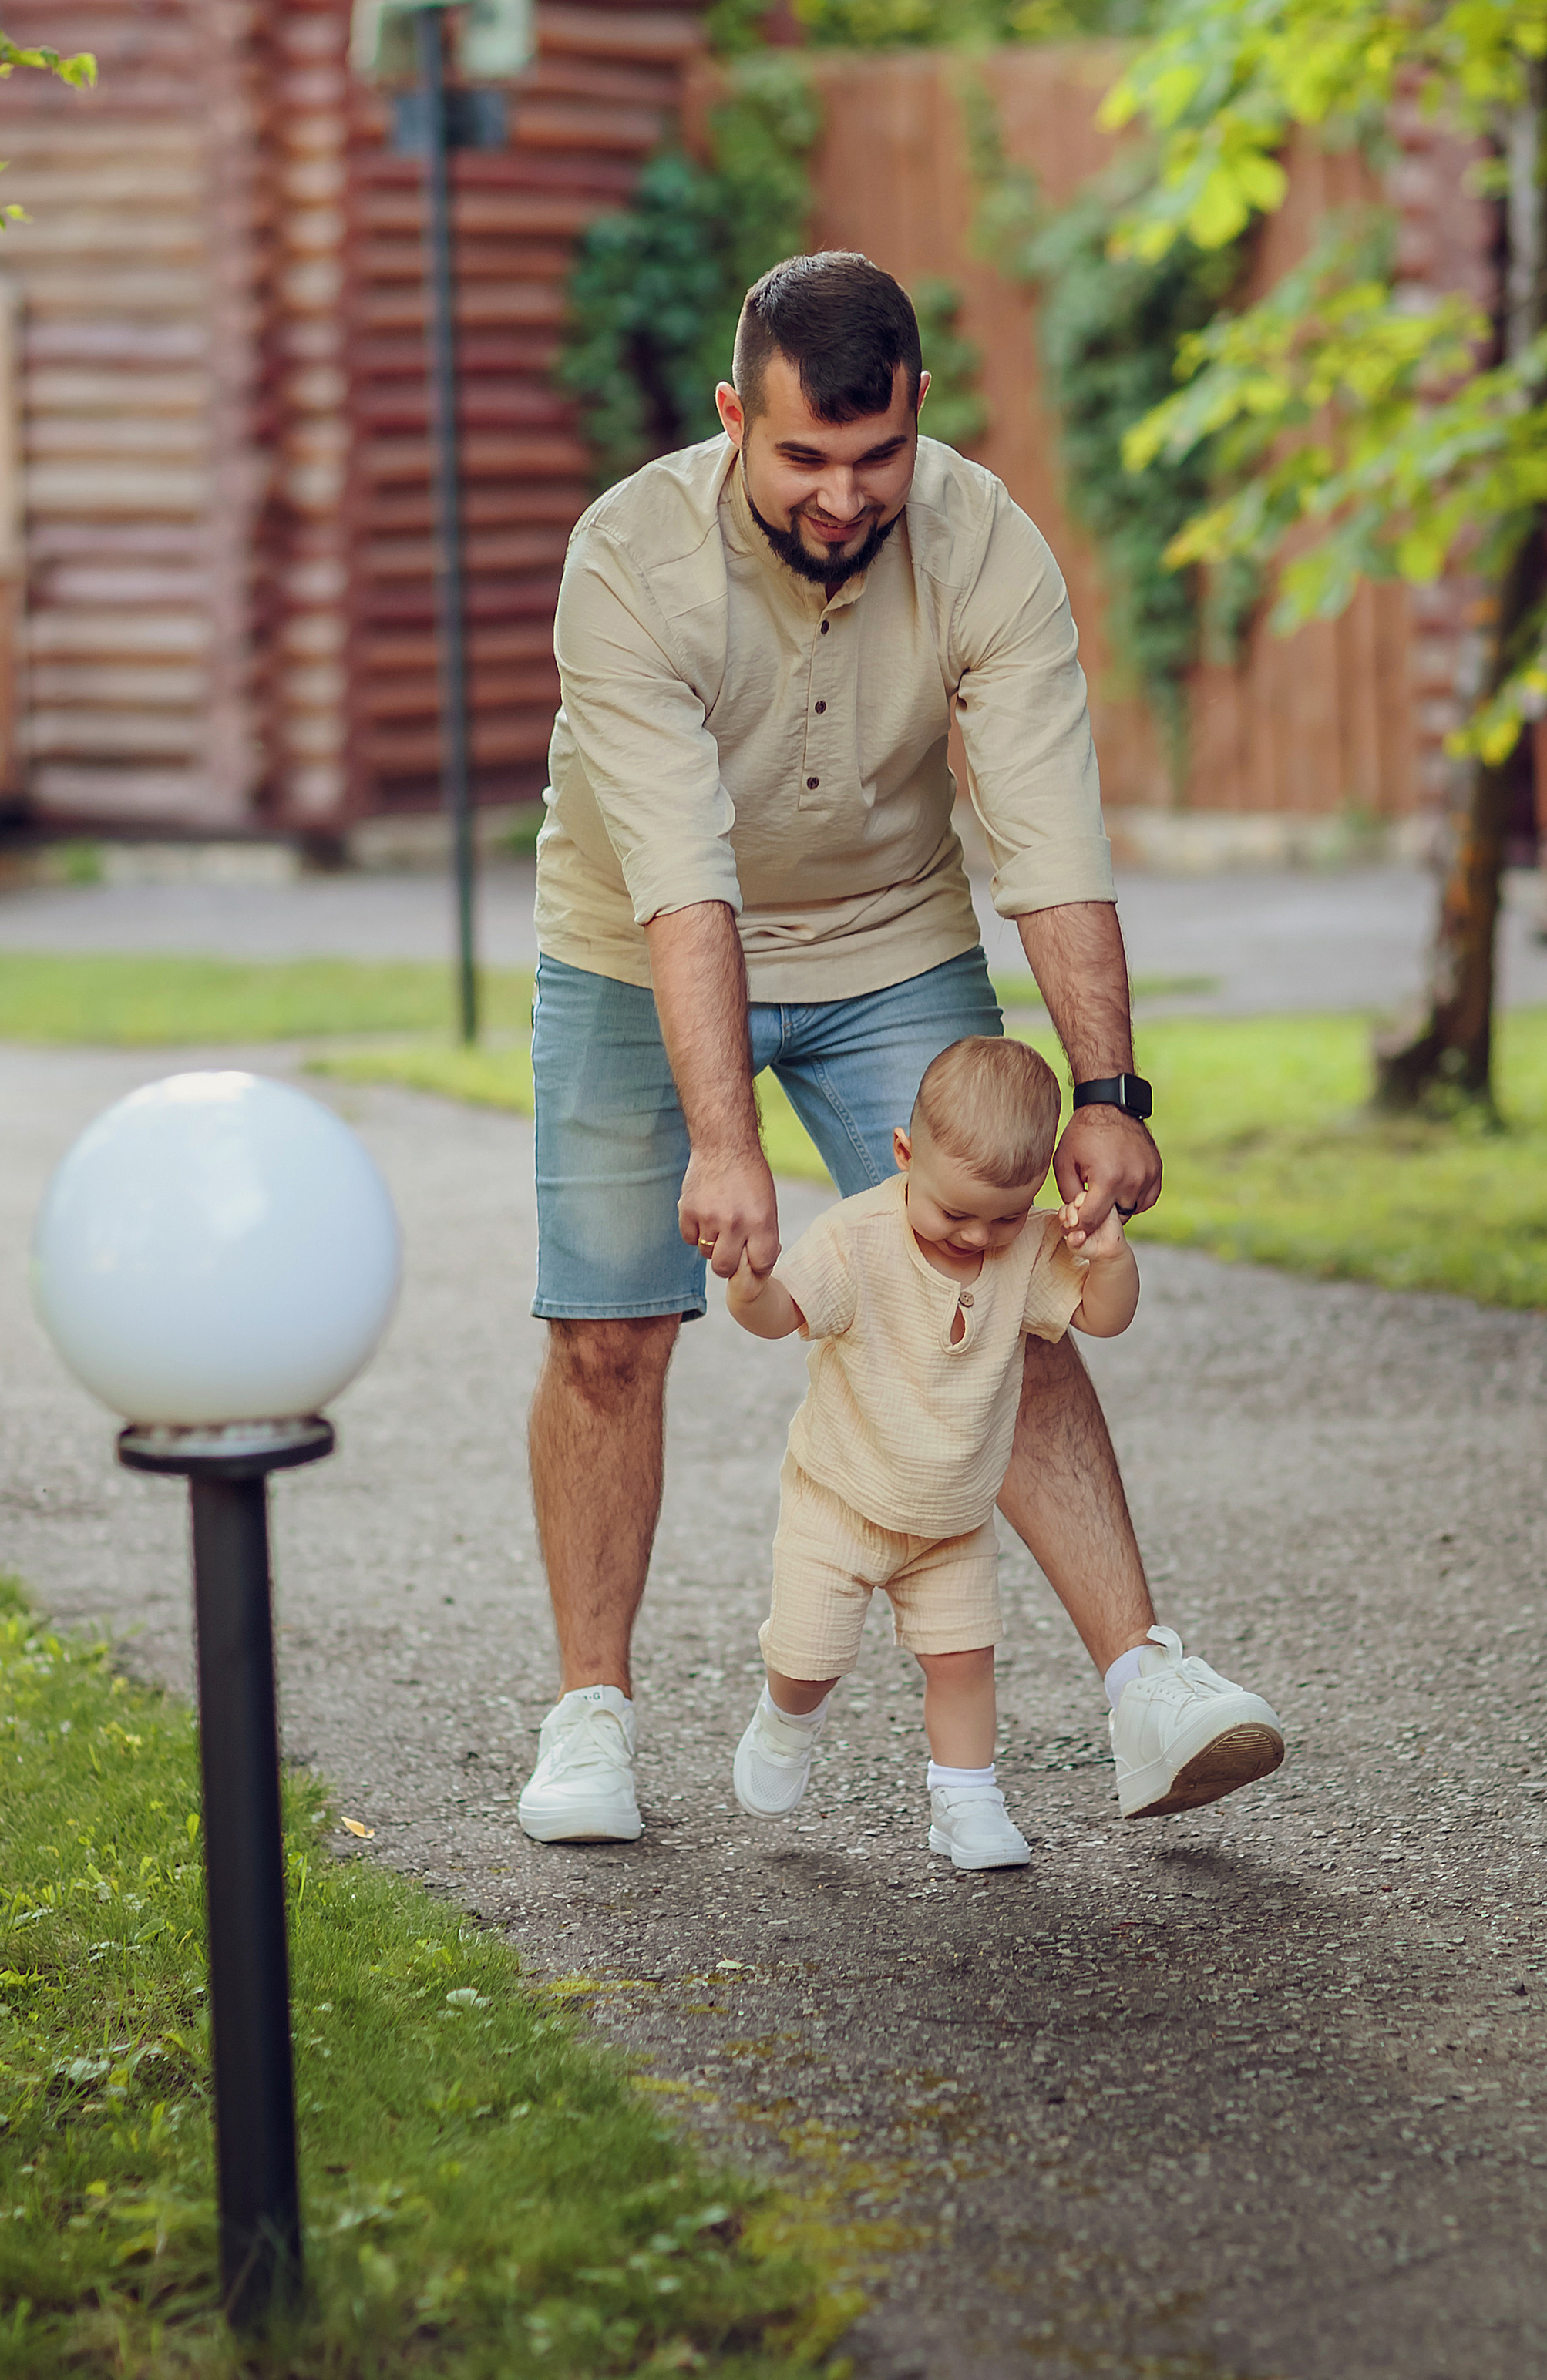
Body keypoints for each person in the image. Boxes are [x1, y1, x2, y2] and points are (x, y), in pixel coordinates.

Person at [516, 249, 1286, 1846]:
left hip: (886, 941)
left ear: (915, 415)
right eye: (801, 456)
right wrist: (723, 1144)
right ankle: (591, 1715)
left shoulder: (984, 540)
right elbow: (680, 880)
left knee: (1004, 1287)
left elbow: (1047, 840)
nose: (840, 493)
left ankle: (1146, 1681)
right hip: (632, 943)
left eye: (874, 459)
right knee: (609, 1333)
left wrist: (1107, 1093)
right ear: (736, 416)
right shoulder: (627, 559)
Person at [728, 1037, 1175, 1871]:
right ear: (904, 1155)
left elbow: (1102, 1319)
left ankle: (965, 1802)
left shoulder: (1033, 1247)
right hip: (842, 1500)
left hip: (953, 1518)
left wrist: (1108, 1256)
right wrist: (751, 1286)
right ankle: (786, 1718)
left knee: (964, 1663)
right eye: (955, 1213)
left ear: (1041, 1186)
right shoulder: (856, 1238)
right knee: (807, 1659)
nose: (978, 1236)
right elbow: (782, 1311)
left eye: (1005, 1215)